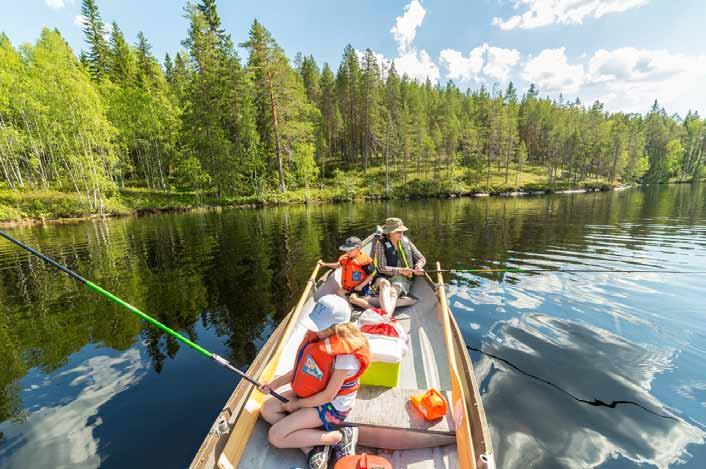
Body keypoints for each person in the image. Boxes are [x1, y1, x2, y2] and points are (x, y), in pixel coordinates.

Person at [258, 294, 370, 469]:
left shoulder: (346, 356)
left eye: (320, 327)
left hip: (330, 406)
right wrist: (274, 384)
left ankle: (337, 437)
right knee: (267, 409)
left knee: (276, 437)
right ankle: (313, 447)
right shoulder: (319, 336)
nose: (314, 330)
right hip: (312, 394)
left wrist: (297, 405)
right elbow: (302, 369)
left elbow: (328, 395)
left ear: (337, 327)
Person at [373, 217, 426, 315]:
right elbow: (381, 267)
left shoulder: (406, 241)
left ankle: (386, 317)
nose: (401, 233)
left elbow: (421, 258)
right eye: (398, 231)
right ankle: (387, 318)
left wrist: (418, 266)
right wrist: (400, 270)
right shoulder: (380, 244)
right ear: (390, 232)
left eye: (402, 231)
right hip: (384, 276)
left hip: (402, 278)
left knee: (393, 292)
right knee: (385, 285)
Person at [319, 236, 375, 310]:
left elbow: (370, 275)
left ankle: (375, 311)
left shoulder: (364, 260)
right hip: (349, 288)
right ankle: (351, 309)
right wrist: (325, 264)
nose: (348, 252)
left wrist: (361, 286)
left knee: (353, 298)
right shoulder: (345, 258)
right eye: (347, 250)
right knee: (339, 292)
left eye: (351, 250)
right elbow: (338, 265)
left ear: (358, 248)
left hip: (360, 287)